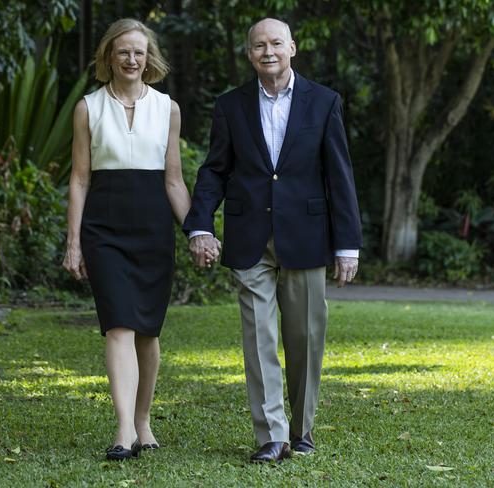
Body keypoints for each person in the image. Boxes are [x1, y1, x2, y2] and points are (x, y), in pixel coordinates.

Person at [184, 18, 362, 462]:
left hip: (306, 238)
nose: (268, 51)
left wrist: (348, 244)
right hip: (250, 239)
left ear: (292, 48)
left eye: (276, 44)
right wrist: (200, 224)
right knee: (258, 337)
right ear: (249, 54)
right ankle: (272, 436)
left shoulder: (324, 102)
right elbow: (214, 171)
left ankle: (301, 431)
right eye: (259, 45)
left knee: (304, 338)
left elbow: (339, 176)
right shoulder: (230, 106)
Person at [62, 18, 216, 460]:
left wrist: (197, 231)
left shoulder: (167, 107)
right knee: (119, 325)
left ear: (149, 59)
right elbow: (78, 179)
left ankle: (144, 420)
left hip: (152, 230)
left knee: (148, 332)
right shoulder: (88, 108)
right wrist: (73, 241)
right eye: (123, 51)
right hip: (103, 229)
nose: (132, 59)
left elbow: (173, 180)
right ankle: (124, 429)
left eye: (139, 52)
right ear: (108, 56)